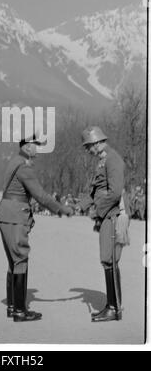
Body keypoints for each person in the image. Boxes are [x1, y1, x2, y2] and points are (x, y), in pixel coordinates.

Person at [0, 134, 73, 322]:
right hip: (16, 215)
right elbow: (41, 196)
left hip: (6, 214)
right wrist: (62, 209)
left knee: (13, 261)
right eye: (36, 145)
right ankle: (20, 312)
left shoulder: (14, 162)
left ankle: (13, 306)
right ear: (26, 146)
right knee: (20, 260)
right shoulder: (24, 167)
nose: (38, 149)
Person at [76, 126, 130, 322]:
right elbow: (96, 190)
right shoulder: (102, 161)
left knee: (109, 260)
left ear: (97, 142)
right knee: (107, 260)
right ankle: (112, 305)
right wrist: (81, 205)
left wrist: (97, 210)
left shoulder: (112, 159)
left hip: (113, 215)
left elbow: (115, 193)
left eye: (88, 146)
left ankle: (114, 308)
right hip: (106, 214)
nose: (88, 150)